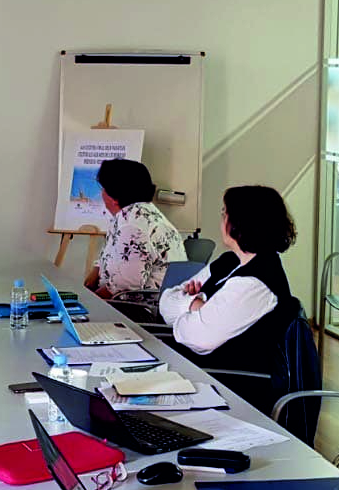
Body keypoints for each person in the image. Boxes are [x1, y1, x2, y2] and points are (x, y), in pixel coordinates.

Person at [159, 185, 296, 370]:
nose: (222, 220)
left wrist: (188, 305)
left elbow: (197, 337)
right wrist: (196, 305)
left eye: (225, 213)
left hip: (225, 382)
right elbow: (166, 302)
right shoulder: (230, 261)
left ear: (241, 222)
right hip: (194, 366)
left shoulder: (257, 282)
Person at [83, 158, 185, 299]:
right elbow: (108, 258)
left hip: (138, 309)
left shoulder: (133, 225)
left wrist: (88, 301)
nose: (102, 194)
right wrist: (91, 281)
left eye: (103, 189)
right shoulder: (138, 214)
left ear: (115, 196)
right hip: (142, 304)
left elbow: (125, 286)